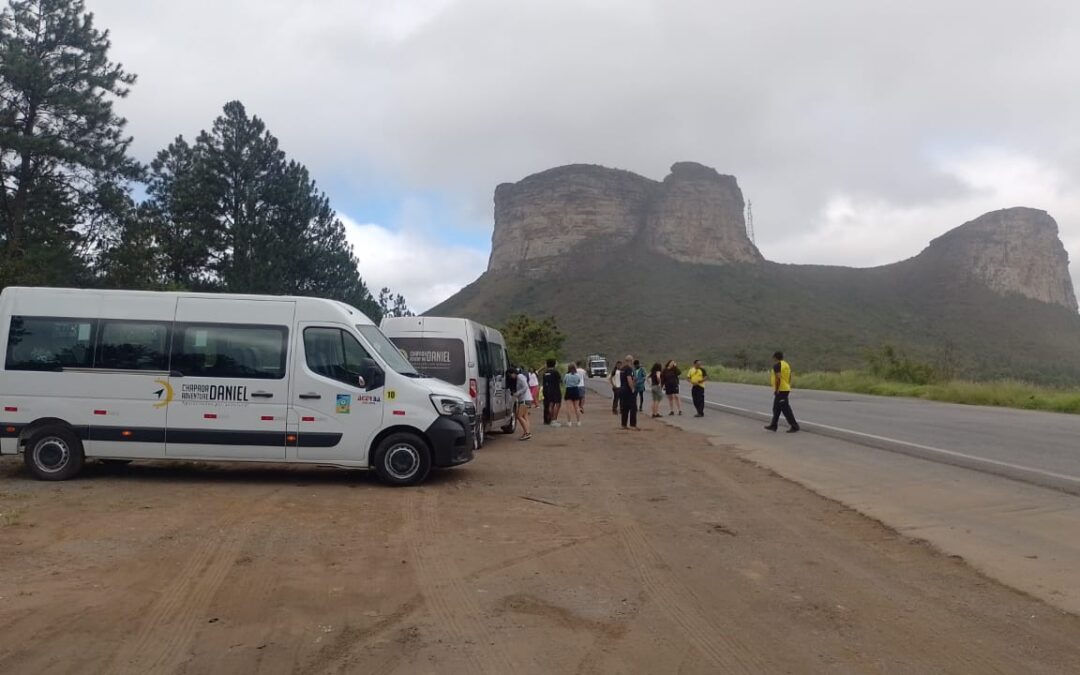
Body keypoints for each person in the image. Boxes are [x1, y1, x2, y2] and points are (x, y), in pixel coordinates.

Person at [765, 351, 800, 433]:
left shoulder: (777, 365)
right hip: (785, 388)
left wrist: (777, 389)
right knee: (776, 408)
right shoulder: (786, 364)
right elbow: (790, 376)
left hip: (781, 390)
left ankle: (795, 426)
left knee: (786, 409)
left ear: (775, 357)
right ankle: (773, 425)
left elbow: (778, 378)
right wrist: (788, 384)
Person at [619, 355, 639, 429]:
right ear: (631, 361)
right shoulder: (629, 369)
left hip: (622, 389)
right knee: (633, 407)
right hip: (628, 390)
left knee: (625, 408)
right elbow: (629, 379)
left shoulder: (622, 369)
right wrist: (632, 388)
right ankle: (633, 425)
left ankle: (623, 424)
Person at [542, 358, 563, 427]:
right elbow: (560, 381)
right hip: (556, 390)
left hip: (548, 390)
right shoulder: (555, 372)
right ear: (554, 364)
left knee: (550, 404)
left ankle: (550, 419)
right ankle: (554, 420)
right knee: (558, 404)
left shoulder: (545, 373)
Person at [514, 368, 532, 440]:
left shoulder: (520, 377)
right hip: (526, 399)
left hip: (525, 399)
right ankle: (527, 432)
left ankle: (527, 433)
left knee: (519, 416)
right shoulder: (520, 377)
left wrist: (518, 393)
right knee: (525, 416)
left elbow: (525, 386)